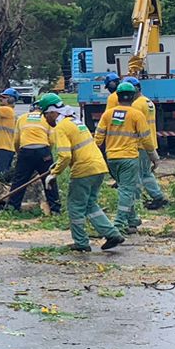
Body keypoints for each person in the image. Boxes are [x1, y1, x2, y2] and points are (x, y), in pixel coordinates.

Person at [39, 94, 123, 252]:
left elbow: (65, 155)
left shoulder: (61, 127)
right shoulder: (74, 121)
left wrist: (54, 174)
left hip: (83, 170)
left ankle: (81, 243)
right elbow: (76, 149)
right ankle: (112, 234)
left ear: (52, 112)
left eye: (45, 114)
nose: (45, 118)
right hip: (98, 166)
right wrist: (56, 165)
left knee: (75, 206)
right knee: (90, 204)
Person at [95, 81, 158, 235]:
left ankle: (133, 220)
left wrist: (96, 154)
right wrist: (153, 156)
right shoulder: (137, 115)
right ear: (132, 96)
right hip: (129, 158)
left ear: (117, 96)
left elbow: (98, 137)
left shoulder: (108, 114)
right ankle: (118, 224)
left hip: (112, 158)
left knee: (125, 189)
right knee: (126, 191)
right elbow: (146, 138)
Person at [5, 100, 60, 214]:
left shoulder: (22, 118)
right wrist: (47, 152)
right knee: (49, 179)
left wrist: (19, 152)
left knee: (19, 180)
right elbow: (52, 139)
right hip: (43, 151)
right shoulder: (46, 118)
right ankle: (55, 208)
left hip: (26, 150)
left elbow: (16, 140)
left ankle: (12, 208)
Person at [122, 77, 168, 210]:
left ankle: (143, 200)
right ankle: (157, 196)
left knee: (138, 175)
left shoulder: (136, 105)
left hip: (140, 144)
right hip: (149, 142)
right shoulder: (148, 102)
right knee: (146, 173)